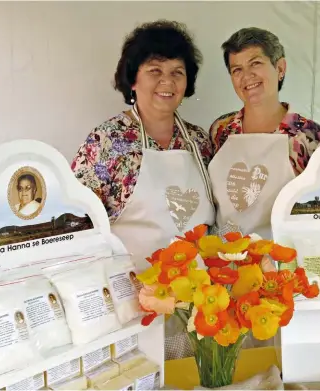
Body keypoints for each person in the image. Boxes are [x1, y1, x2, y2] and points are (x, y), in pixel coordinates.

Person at [71, 20, 214, 361]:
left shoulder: (199, 141)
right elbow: (77, 226)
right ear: (133, 79)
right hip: (133, 302)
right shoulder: (108, 141)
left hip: (196, 303)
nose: (167, 82)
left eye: (178, 72)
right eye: (155, 70)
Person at [208, 27, 320, 240]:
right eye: (237, 70)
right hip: (222, 263)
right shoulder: (221, 130)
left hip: (282, 264)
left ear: (280, 68)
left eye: (255, 63)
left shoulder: (308, 136)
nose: (247, 76)